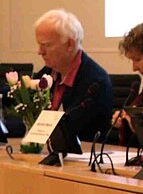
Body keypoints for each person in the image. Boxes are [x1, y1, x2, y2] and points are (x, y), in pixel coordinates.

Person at [34, 9, 113, 142]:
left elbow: (74, 128)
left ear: (70, 44)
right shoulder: (48, 72)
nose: (40, 52)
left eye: (46, 45)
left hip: (82, 157)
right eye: (39, 45)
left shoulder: (95, 82)